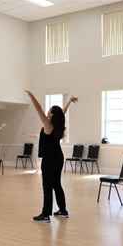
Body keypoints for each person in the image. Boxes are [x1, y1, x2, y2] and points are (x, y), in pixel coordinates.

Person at [25, 90, 78, 222]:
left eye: (49, 111)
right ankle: (63, 210)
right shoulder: (58, 124)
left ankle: (45, 214)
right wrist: (69, 101)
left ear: (52, 114)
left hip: (49, 159)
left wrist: (32, 96)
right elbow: (62, 111)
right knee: (56, 184)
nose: (47, 112)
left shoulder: (48, 125)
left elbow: (38, 109)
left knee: (47, 186)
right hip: (59, 157)